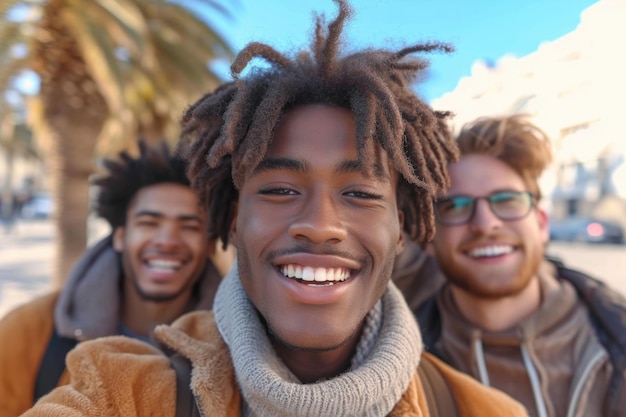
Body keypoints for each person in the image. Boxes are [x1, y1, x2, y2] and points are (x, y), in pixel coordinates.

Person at [23, 2, 528, 416]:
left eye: (361, 193)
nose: (320, 226)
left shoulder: (482, 410)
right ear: (233, 221)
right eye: (281, 190)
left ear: (401, 228)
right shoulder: (120, 389)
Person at [0, 140, 231, 417]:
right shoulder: (30, 330)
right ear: (120, 236)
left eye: (190, 226)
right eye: (149, 223)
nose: (168, 241)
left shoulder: (238, 348)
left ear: (209, 244)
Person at [419, 114, 626, 417]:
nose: (486, 224)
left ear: (542, 224)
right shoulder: (399, 367)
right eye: (456, 206)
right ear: (428, 237)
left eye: (506, 200)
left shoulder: (617, 336)